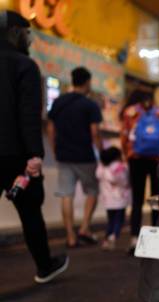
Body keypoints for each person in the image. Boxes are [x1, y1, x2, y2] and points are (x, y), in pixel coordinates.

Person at [0, 9, 68, 283]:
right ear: (14, 33)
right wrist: (35, 155)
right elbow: (28, 115)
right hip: (15, 156)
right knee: (30, 214)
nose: (28, 40)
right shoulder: (24, 65)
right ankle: (45, 265)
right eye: (26, 34)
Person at [48, 66, 103, 248]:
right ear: (87, 82)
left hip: (64, 155)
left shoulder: (58, 102)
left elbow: (50, 128)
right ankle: (85, 228)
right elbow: (94, 132)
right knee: (92, 191)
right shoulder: (90, 105)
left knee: (66, 195)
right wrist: (101, 153)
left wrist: (54, 149)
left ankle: (70, 236)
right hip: (85, 156)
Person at [120, 90, 159, 253]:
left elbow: (124, 136)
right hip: (156, 159)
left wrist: (126, 154)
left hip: (136, 159)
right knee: (156, 199)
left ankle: (134, 239)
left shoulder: (130, 112)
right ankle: (156, 237)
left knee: (137, 200)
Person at [96, 147, 131, 250]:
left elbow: (97, 175)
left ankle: (107, 239)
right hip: (120, 199)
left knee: (110, 221)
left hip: (107, 201)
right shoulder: (119, 167)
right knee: (119, 221)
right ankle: (113, 236)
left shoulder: (101, 167)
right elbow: (123, 181)